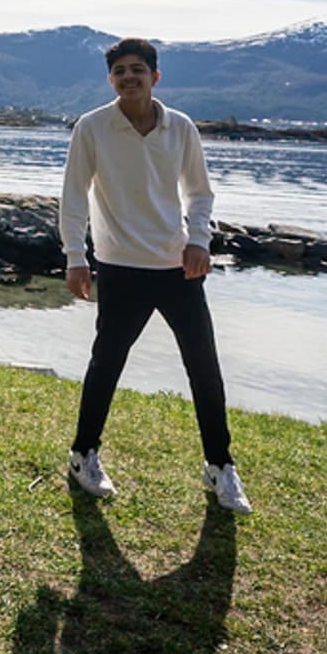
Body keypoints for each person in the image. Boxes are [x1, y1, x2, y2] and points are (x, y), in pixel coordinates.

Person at [58, 38, 250, 514]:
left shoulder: (180, 128)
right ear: (111, 79)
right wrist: (74, 256)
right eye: (120, 70)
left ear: (155, 77)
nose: (129, 77)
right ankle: (84, 455)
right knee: (107, 364)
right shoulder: (93, 127)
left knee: (204, 367)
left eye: (137, 70)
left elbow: (199, 193)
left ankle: (219, 466)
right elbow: (73, 196)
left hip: (177, 267)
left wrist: (199, 240)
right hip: (120, 266)